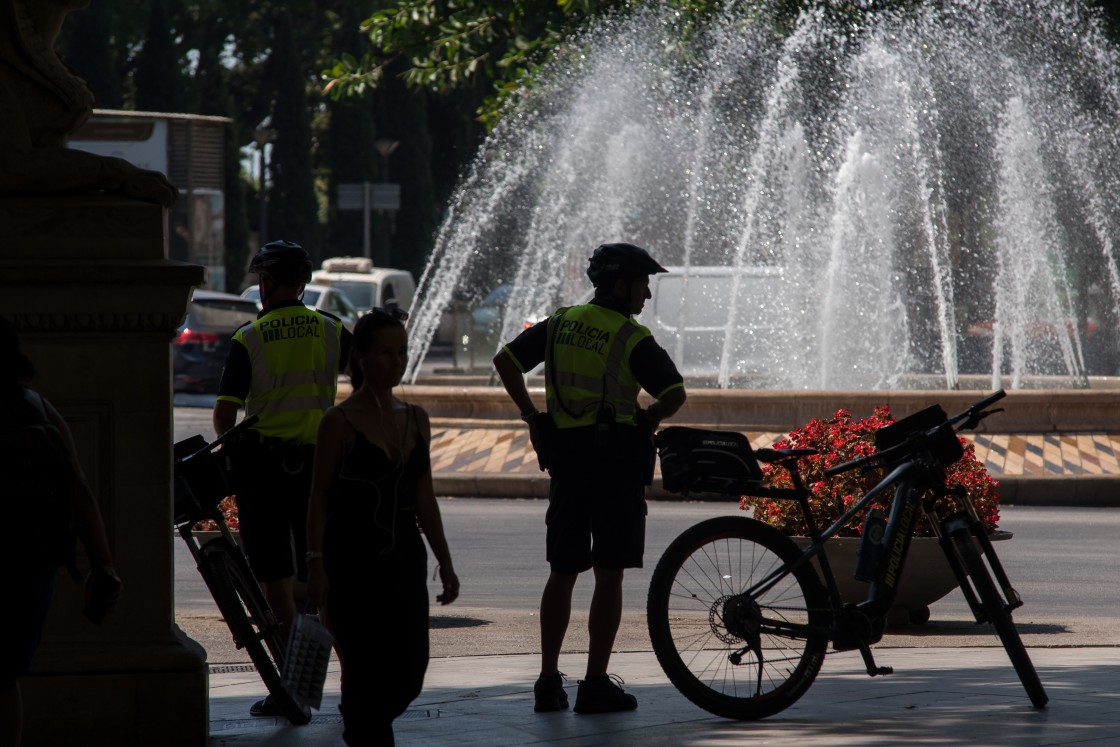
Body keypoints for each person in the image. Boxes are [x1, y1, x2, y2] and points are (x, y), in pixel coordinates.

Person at [493, 242, 687, 714]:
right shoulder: (629, 335)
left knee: (562, 572)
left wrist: (532, 418)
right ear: (620, 285)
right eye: (642, 284)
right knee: (609, 574)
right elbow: (675, 392)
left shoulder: (560, 322)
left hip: (566, 461)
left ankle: (546, 681)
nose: (645, 295)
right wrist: (650, 418)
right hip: (615, 464)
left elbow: (505, 361)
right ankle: (595, 684)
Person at [212, 239, 353, 718]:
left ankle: (293, 683)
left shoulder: (249, 338)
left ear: (266, 283)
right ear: (305, 283)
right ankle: (352, 683)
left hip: (266, 473)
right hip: (321, 468)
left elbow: (224, 415)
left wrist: (230, 452)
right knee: (324, 572)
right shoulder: (331, 329)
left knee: (273, 576)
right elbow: (368, 379)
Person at [307, 308, 459, 746]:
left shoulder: (416, 418)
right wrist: (316, 564)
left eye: (402, 353)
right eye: (386, 353)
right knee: (363, 663)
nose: (396, 362)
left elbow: (424, 496)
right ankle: (365, 728)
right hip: (352, 560)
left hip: (405, 557)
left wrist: (445, 561)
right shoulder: (339, 422)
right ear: (360, 358)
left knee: (411, 668)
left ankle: (362, 718)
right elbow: (318, 496)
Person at [0, 317, 122, 747]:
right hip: (34, 562)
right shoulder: (36, 405)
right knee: (5, 679)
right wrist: (103, 565)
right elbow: (79, 487)